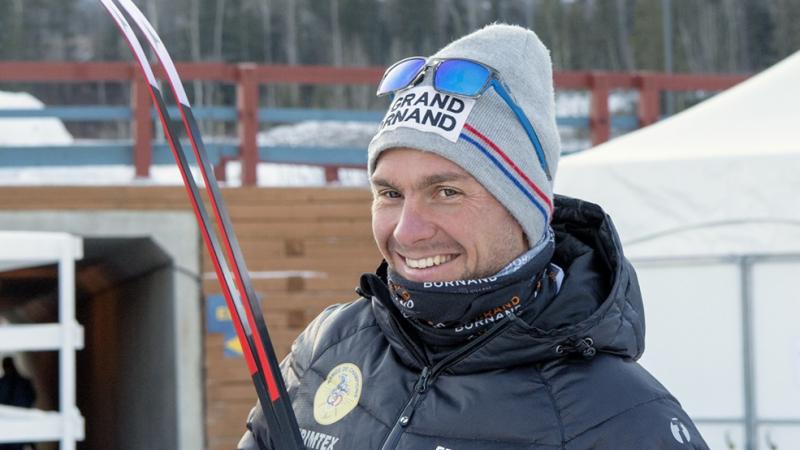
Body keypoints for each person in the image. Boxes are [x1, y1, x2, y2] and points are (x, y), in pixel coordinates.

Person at [239, 24, 708, 449]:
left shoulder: (624, 422)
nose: (407, 230)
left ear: (525, 208)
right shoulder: (329, 347)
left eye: (446, 192)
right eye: (389, 193)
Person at [0, 356, 37, 450]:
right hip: (21, 423)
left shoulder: (2, 383)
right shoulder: (25, 383)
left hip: (7, 425)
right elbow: (32, 398)